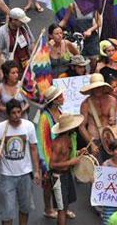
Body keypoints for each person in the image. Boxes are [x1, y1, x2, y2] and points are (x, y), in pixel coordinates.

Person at [0, 100, 41, 225]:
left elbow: (34, 149)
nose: (17, 115)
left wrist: (36, 171)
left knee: (25, 208)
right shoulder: (0, 128)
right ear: (8, 114)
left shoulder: (29, 126)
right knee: (7, 212)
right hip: (7, 176)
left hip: (26, 175)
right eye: (13, 113)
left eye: (19, 112)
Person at [37, 86, 70, 221]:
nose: (63, 98)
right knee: (49, 184)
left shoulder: (60, 112)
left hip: (61, 153)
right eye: (60, 97)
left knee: (62, 184)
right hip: (50, 156)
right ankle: (48, 208)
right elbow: (42, 141)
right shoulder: (45, 117)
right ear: (54, 101)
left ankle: (63, 208)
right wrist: (45, 165)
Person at [49, 114, 84, 225]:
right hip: (58, 178)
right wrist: (70, 162)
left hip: (67, 174)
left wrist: (79, 152)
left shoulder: (70, 138)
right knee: (61, 209)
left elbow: (68, 155)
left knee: (65, 205)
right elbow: (52, 165)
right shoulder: (58, 144)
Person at [79, 73, 117, 162]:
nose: (97, 90)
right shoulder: (86, 104)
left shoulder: (112, 100)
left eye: (99, 87)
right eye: (95, 88)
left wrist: (112, 120)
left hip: (109, 138)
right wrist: (91, 144)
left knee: (111, 166)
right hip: (94, 138)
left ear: (103, 87)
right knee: (97, 169)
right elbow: (82, 126)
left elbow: (113, 118)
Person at [0, 7, 34, 75]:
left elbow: (32, 41)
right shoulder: (1, 32)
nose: (23, 22)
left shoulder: (24, 26)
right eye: (21, 21)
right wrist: (0, 73)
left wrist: (33, 58)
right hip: (12, 68)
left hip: (26, 63)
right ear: (13, 20)